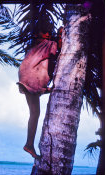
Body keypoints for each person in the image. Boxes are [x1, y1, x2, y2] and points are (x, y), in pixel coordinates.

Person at [17, 27, 63, 159]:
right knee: (35, 114)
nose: (48, 35)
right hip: (31, 79)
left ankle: (29, 144)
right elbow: (58, 49)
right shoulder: (49, 44)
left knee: (34, 113)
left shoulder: (34, 48)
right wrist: (60, 37)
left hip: (25, 77)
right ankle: (29, 144)